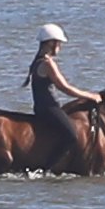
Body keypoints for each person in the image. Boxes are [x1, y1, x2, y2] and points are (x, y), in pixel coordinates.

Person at [27, 23, 90, 167]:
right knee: (72, 135)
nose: (60, 47)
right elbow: (65, 87)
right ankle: (48, 167)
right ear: (51, 43)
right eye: (59, 43)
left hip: (40, 107)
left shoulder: (37, 62)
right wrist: (89, 96)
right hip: (50, 108)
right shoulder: (48, 63)